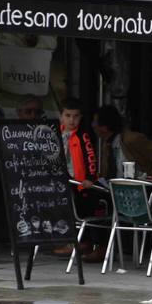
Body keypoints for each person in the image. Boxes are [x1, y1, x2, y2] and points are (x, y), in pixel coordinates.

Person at [56, 98, 100, 258]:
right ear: (61, 116)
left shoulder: (83, 136)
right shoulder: (55, 133)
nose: (72, 120)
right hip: (61, 180)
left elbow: (90, 157)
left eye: (75, 116)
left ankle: (82, 241)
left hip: (79, 182)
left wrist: (90, 177)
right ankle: (69, 239)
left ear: (80, 118)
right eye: (68, 115)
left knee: (81, 210)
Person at [93, 105, 152, 179]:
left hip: (141, 186)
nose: (93, 126)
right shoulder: (107, 145)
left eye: (95, 124)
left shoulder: (131, 140)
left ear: (104, 128)